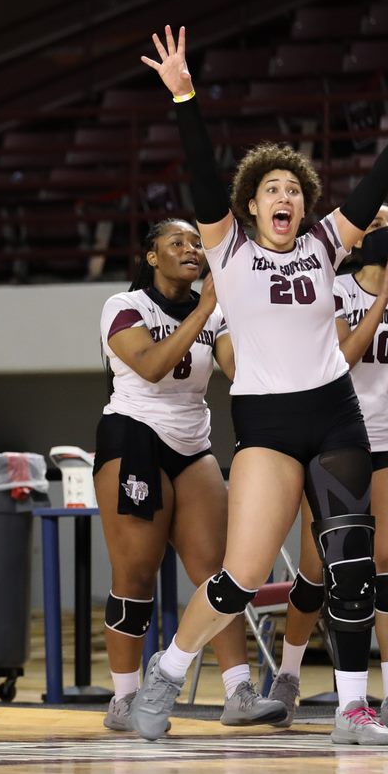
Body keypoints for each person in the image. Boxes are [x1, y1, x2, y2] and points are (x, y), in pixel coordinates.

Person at [129, 26, 388, 745]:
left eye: (292, 190)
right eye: (271, 190)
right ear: (250, 207)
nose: (283, 196)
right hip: (267, 425)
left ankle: (351, 710)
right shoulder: (227, 246)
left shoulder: (322, 242)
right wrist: (185, 94)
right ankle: (168, 669)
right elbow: (200, 172)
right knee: (241, 577)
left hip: (336, 415)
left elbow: (380, 178)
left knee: (352, 565)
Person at [95, 219, 285, 731]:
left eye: (197, 243)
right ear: (151, 256)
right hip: (134, 435)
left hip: (192, 442)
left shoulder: (216, 315)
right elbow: (152, 366)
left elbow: (240, 373)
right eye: (176, 242)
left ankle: (238, 690)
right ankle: (124, 698)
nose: (191, 249)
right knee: (135, 575)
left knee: (220, 571)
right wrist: (205, 308)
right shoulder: (125, 306)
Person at [270, 206, 388, 733]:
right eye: (377, 221)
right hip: (337, 436)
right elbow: (344, 355)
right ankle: (290, 674)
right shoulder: (334, 287)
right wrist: (384, 297)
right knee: (317, 570)